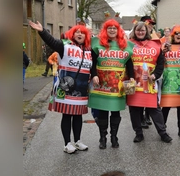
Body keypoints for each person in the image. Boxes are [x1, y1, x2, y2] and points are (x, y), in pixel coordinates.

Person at [28, 20, 92, 154]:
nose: (79, 34)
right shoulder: (65, 46)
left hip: (81, 90)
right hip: (66, 88)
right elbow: (51, 41)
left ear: (86, 36)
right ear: (72, 35)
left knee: (78, 115)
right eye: (77, 32)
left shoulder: (89, 51)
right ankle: (67, 143)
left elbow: (95, 67)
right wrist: (42, 31)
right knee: (68, 115)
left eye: (82, 33)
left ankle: (78, 141)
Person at [89, 19, 135, 149]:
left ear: (118, 30)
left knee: (115, 111)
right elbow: (92, 61)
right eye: (109, 28)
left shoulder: (125, 45)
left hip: (117, 84)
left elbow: (129, 63)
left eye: (114, 28)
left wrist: (131, 77)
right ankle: (102, 137)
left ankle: (114, 137)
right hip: (102, 83)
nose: (112, 30)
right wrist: (94, 75)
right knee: (103, 111)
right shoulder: (97, 43)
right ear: (105, 30)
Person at [127, 21, 173, 143]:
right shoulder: (129, 44)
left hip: (150, 82)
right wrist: (129, 76)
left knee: (154, 108)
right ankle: (138, 133)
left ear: (147, 31)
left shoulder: (155, 44)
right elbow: (126, 62)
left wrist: (155, 75)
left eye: (143, 30)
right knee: (134, 110)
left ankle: (163, 133)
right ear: (134, 31)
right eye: (138, 30)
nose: (140, 32)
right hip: (134, 83)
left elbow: (160, 63)